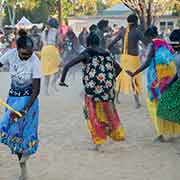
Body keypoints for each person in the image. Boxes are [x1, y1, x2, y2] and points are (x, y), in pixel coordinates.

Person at [59, 32, 125, 152]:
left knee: (92, 113)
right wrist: (108, 79)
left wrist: (62, 80)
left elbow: (68, 66)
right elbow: (119, 68)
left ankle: (99, 143)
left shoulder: (87, 52)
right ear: (98, 42)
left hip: (92, 91)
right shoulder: (107, 53)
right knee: (107, 110)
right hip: (107, 90)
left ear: (88, 43)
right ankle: (111, 129)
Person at [126, 26, 180, 142]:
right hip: (170, 77)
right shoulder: (166, 43)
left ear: (149, 36)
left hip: (156, 79)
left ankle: (161, 133)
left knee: (154, 105)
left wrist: (134, 73)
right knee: (167, 103)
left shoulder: (153, 45)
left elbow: (146, 63)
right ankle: (171, 130)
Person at [0, 35, 41, 180]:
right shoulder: (10, 55)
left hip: (28, 100)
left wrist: (25, 109)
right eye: (24, 54)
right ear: (17, 49)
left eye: (29, 54)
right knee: (10, 129)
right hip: (13, 98)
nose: (27, 57)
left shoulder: (35, 61)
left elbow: (36, 89)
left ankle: (25, 162)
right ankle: (24, 169)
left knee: (26, 134)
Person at [108, 14, 146, 107]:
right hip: (133, 59)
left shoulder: (122, 31)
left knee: (121, 77)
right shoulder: (137, 32)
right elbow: (145, 42)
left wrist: (107, 49)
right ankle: (137, 102)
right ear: (136, 22)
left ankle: (116, 98)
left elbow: (112, 42)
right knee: (134, 77)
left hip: (123, 58)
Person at [156, 29, 180, 138]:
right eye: (172, 44)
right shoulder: (177, 53)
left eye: (176, 44)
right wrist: (169, 83)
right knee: (163, 106)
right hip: (177, 83)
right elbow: (178, 73)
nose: (173, 46)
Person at [41, 18, 62, 95]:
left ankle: (45, 91)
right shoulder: (56, 31)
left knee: (47, 72)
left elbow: (42, 42)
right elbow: (59, 42)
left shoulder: (44, 31)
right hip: (52, 50)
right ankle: (53, 84)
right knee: (59, 69)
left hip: (44, 51)